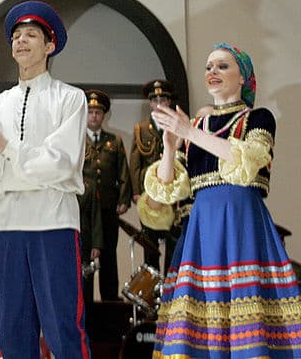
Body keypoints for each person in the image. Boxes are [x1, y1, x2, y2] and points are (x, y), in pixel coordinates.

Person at [143, 43, 301, 357]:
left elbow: (248, 161)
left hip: (242, 223)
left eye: (222, 66)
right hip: (203, 228)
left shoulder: (258, 118)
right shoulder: (196, 128)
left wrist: (189, 131)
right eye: (208, 67)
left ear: (243, 77)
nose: (212, 72)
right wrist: (171, 146)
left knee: (248, 314)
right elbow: (167, 188)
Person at [0, 1, 90, 359]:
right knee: (12, 325)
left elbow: (60, 164)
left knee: (62, 323)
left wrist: (3, 146)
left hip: (54, 221)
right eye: (16, 36)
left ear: (49, 46)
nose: (21, 41)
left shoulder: (70, 98)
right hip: (9, 224)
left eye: (31, 35)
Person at [79, 89, 130, 301]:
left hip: (109, 207)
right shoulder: (78, 141)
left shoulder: (114, 141)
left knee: (109, 255)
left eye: (98, 112)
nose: (94, 116)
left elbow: (123, 172)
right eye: (90, 112)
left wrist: (124, 200)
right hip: (85, 210)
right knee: (86, 256)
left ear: (104, 115)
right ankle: (86, 303)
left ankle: (109, 301)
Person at [129, 78, 175, 270]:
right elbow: (135, 164)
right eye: (155, 101)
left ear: (169, 102)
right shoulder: (141, 129)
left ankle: (172, 289)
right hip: (149, 195)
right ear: (150, 103)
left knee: (173, 240)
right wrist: (136, 191)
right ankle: (153, 289)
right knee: (149, 243)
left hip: (172, 194)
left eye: (163, 100)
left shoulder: (177, 126)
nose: (159, 105)